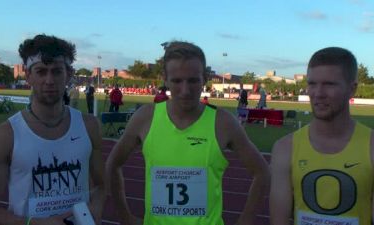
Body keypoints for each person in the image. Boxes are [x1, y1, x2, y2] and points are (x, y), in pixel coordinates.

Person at [106, 41, 269, 225]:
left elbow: (262, 172)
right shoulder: (145, 118)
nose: (185, 91)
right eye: (177, 81)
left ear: (204, 78)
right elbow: (113, 164)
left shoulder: (223, 123)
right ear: (165, 79)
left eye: (193, 80)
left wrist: (245, 221)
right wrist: (124, 217)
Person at [0, 34, 106, 225]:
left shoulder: (89, 126)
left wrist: (96, 207)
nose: (49, 80)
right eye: (41, 71)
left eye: (56, 71)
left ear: (69, 74)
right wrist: (33, 223)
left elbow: (101, 185)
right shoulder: (6, 135)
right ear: (28, 76)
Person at [270, 47, 373, 225]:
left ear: (352, 89)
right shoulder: (285, 148)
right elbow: (279, 220)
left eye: (329, 84)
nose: (318, 93)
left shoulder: (371, 147)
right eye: (312, 84)